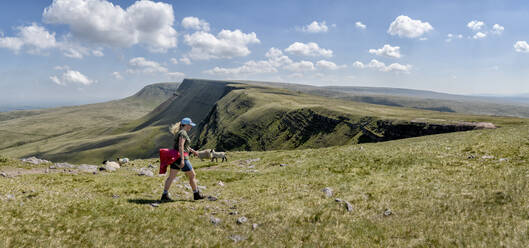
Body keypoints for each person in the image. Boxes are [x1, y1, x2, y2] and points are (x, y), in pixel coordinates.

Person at [161, 117, 205, 201]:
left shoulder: (179, 132)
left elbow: (185, 146)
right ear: (186, 125)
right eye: (190, 125)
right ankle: (196, 194)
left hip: (175, 157)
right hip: (182, 157)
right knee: (192, 175)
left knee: (171, 177)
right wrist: (182, 160)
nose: (191, 127)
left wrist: (193, 151)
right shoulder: (183, 133)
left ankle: (164, 194)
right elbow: (181, 146)